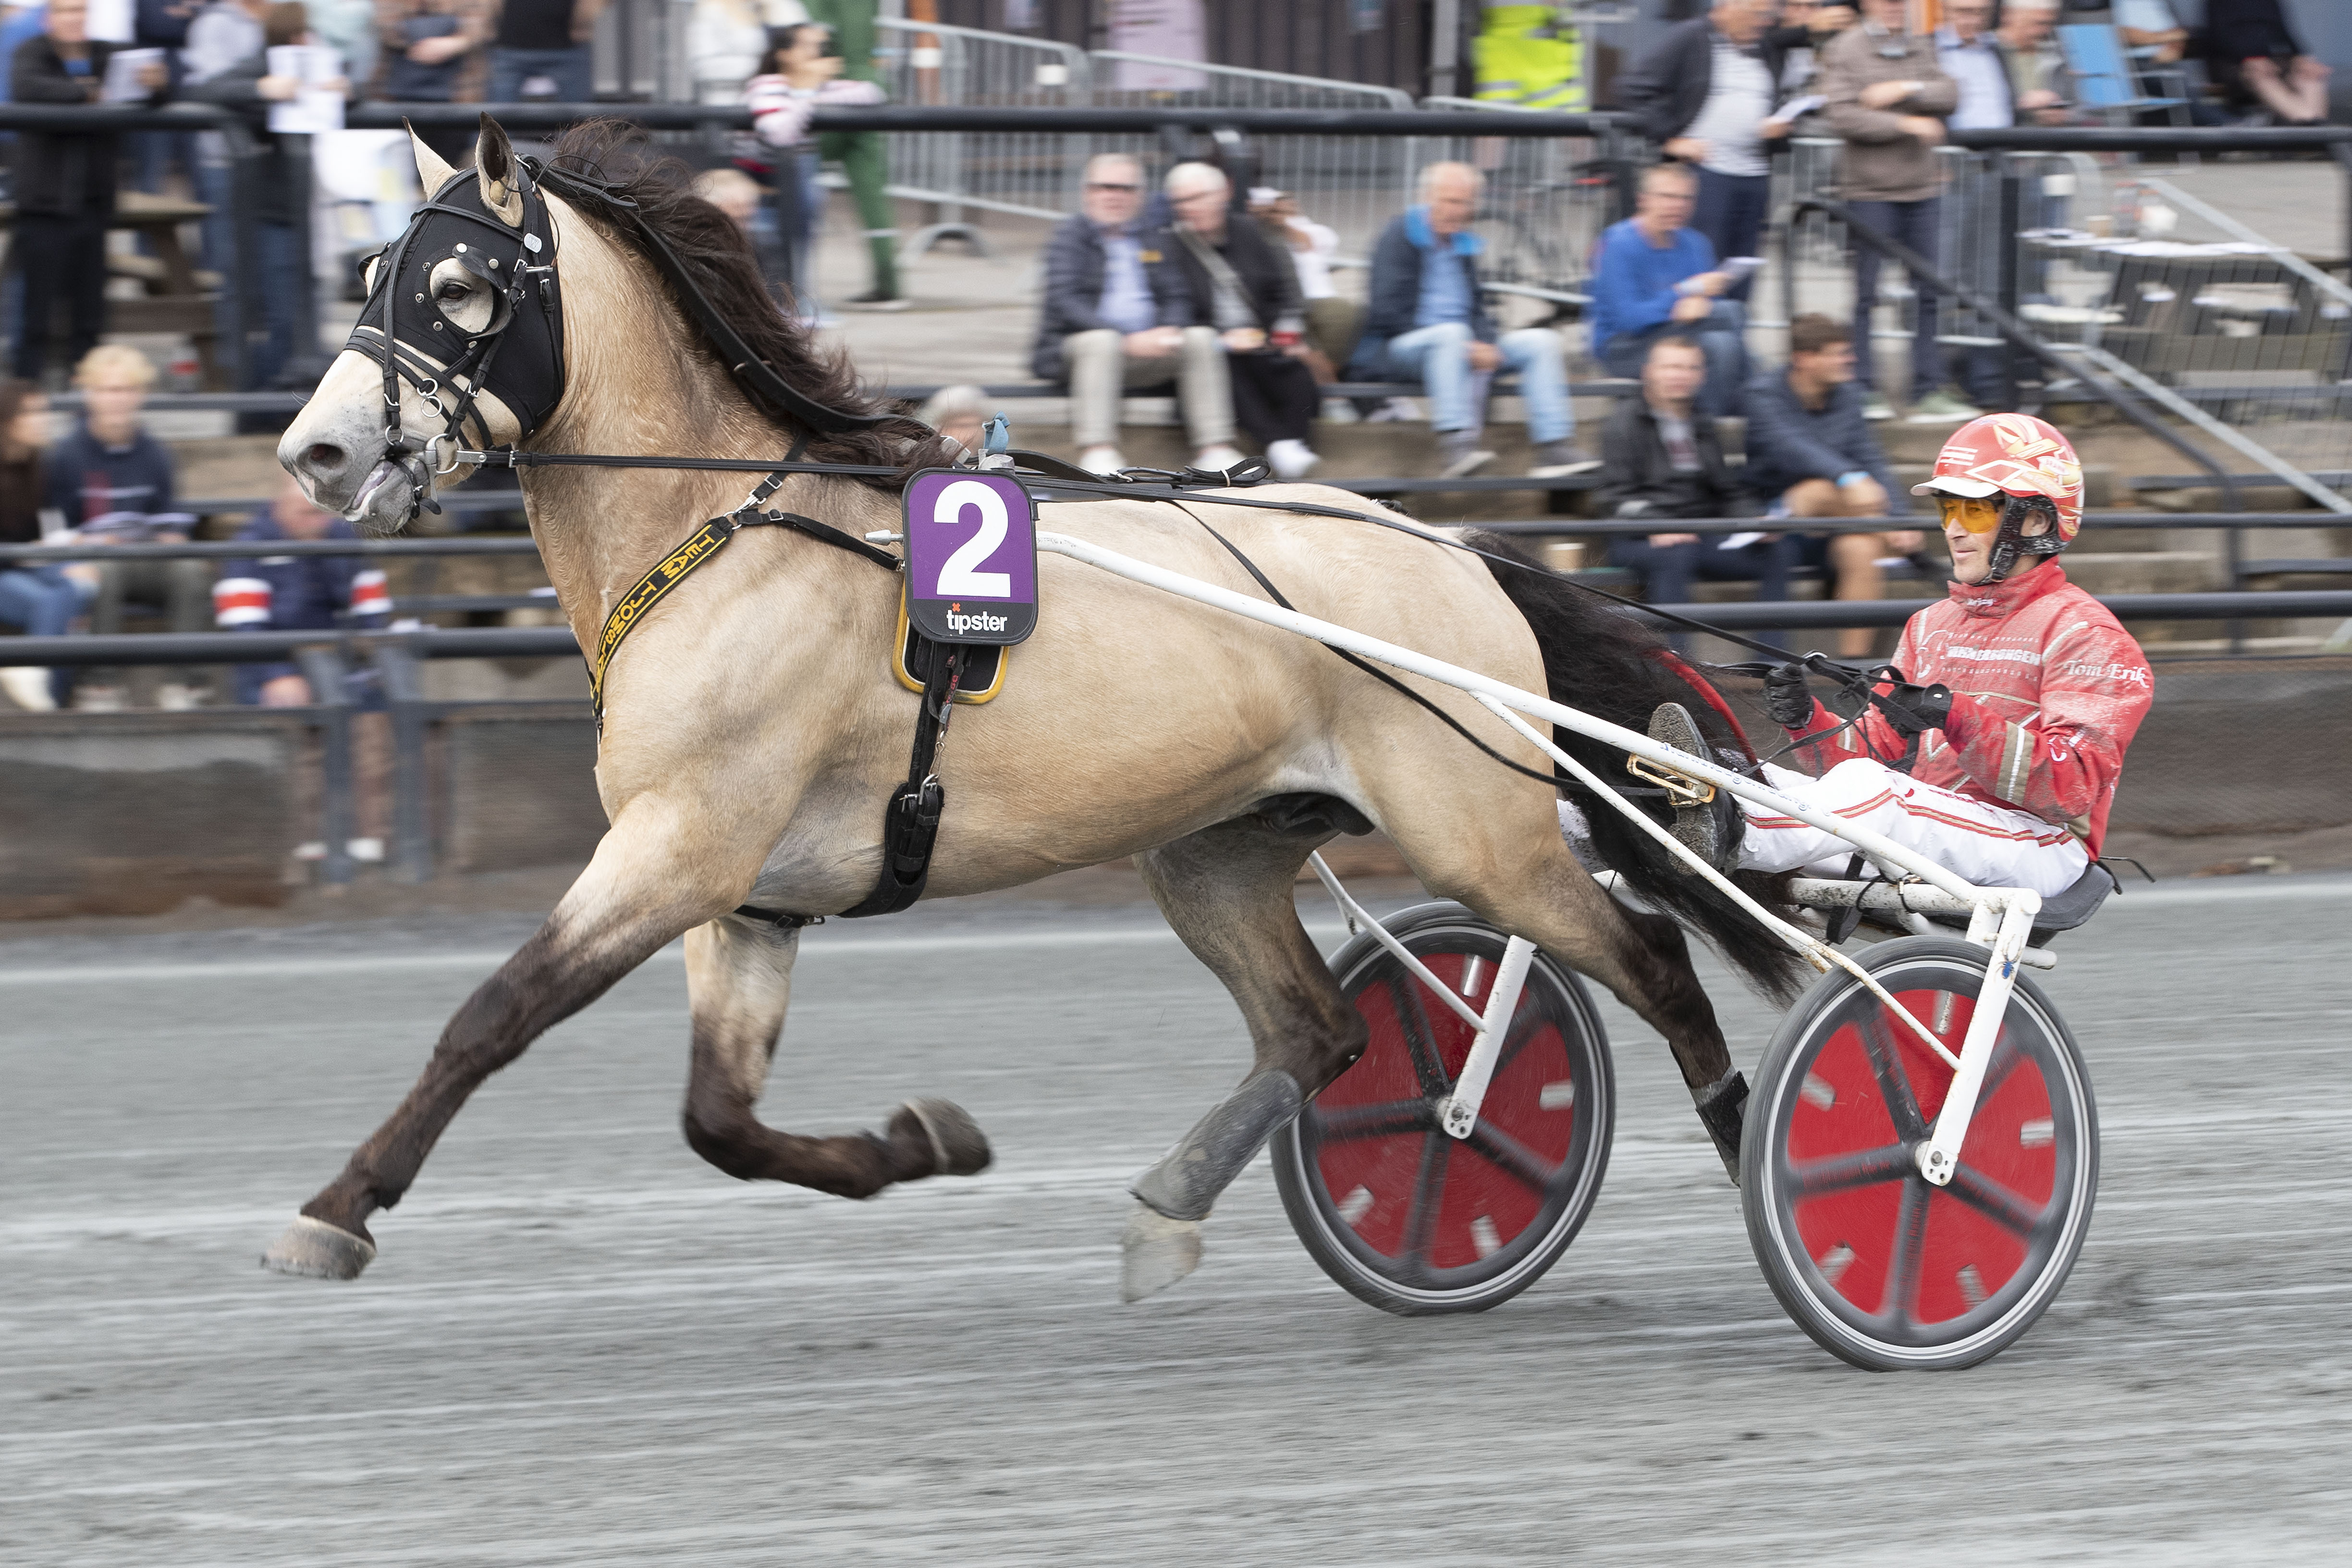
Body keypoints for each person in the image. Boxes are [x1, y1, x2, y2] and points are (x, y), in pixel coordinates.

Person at [1668, 413, 2151, 902]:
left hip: (2044, 843)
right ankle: (1640, 827)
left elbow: (2072, 790)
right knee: (1749, 773)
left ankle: (1734, 835)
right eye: (1949, 509)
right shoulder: (1929, 625)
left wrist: (1958, 717)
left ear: (2036, 521)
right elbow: (1872, 758)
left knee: (1867, 790)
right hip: (1935, 822)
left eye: (1976, 511)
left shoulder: (2088, 634)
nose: (1955, 529)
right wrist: (1807, 720)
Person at [1347, 160, 1591, 481]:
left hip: (1459, 345)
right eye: (1449, 201)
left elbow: (1476, 307)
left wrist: (1486, 344)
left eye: (1465, 203)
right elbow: (1387, 311)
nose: (1458, 211)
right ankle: (1456, 445)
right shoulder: (1399, 236)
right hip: (1405, 347)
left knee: (1540, 342)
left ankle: (1554, 446)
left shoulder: (1463, 244)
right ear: (1427, 198)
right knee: (1451, 333)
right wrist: (1463, 343)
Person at [1029, 153, 1237, 478]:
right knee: (1103, 342)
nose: (1114, 196)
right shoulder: (1070, 237)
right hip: (1081, 351)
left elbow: (1176, 295)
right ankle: (1098, 449)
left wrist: (1169, 331)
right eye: (1105, 187)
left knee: (1201, 338)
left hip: (1146, 350)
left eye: (1126, 188)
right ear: (1087, 192)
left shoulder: (1154, 239)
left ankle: (1214, 449)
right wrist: (1126, 339)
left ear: (1140, 196)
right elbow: (1065, 301)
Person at [1821, 0, 1978, 425]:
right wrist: (1905, 124)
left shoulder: (1920, 44)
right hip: (1869, 190)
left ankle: (1928, 389)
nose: (1895, 8)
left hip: (1923, 188)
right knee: (1867, 296)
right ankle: (1863, 388)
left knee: (1929, 294)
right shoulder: (1846, 48)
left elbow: (1950, 93)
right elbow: (1841, 115)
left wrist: (1904, 89)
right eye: (1887, 1)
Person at [178, 2, 348, 389]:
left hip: (300, 205)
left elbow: (345, 96)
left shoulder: (316, 63)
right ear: (291, 37)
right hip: (265, 208)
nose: (311, 42)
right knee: (273, 311)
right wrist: (261, 88)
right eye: (304, 34)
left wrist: (342, 90)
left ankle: (278, 396)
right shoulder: (263, 64)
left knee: (298, 309)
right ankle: (260, 400)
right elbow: (203, 89)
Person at [1743, 314, 1923, 659]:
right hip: (1779, 518)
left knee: (1861, 549)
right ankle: (1896, 541)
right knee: (1818, 491)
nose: (1849, 360)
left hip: (1839, 522)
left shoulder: (1848, 396)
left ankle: (1852, 668)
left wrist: (1899, 514)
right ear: (1805, 358)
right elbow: (1790, 447)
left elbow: (1871, 458)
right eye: (1838, 353)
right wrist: (1848, 478)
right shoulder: (1763, 394)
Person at [11, 0, 169, 381]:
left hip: (93, 203)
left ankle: (86, 394)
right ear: (49, 18)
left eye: (79, 10)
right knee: (35, 313)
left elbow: (150, 85)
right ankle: (22, 397)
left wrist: (157, 82)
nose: (73, 19)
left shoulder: (107, 52)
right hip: (44, 204)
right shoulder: (32, 51)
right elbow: (28, 84)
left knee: (90, 313)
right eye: (65, 11)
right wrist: (90, 94)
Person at [1600, 334, 1790, 641]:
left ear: (1701, 376)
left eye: (1690, 368)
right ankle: (1680, 671)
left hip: (1699, 535)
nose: (1681, 376)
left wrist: (1755, 521)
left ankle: (1775, 667)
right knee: (1676, 554)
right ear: (1649, 372)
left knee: (1775, 550)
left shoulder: (1702, 423)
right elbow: (1615, 499)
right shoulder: (1622, 424)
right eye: (1672, 367)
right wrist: (1659, 527)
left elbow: (1728, 491)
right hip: (1640, 537)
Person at [47, 346, 206, 707]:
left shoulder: (155, 454)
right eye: (106, 390)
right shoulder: (65, 455)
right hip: (93, 556)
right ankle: (101, 686)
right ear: (89, 393)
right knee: (103, 572)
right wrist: (86, 545)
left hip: (146, 555)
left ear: (140, 395)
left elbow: (171, 524)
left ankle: (185, 686)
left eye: (124, 390)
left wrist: (169, 543)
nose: (115, 401)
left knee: (191, 572)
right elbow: (52, 527)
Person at [1164, 162, 1322, 481]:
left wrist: (1282, 334)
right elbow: (1175, 307)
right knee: (1230, 369)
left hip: (1260, 338)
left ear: (1223, 195)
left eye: (1198, 197)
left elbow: (1283, 292)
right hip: (1210, 346)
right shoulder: (1170, 246)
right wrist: (1224, 338)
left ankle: (1292, 444)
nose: (1190, 208)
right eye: (1182, 202)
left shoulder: (1251, 233)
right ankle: (1279, 446)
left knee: (1295, 372)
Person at [1617, 0, 1787, 296]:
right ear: (1727, 8)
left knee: (1740, 272)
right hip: (1707, 175)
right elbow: (1633, 87)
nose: (1764, 22)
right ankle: (1695, 339)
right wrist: (1669, 138)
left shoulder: (1764, 49)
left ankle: (1732, 334)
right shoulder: (1691, 37)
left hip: (1753, 175)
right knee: (1703, 267)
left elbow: (1769, 97)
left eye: (1769, 15)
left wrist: (1776, 123)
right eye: (1757, 14)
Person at [1590, 161, 1751, 418]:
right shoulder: (1618, 244)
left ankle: (1740, 423)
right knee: (1722, 341)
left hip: (1685, 333)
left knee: (1733, 318)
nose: (1678, 206)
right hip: (1625, 346)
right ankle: (1711, 429)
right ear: (1643, 200)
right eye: (1668, 197)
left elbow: (1710, 306)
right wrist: (1686, 292)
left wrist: (1701, 303)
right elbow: (1630, 319)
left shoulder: (1695, 243)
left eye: (1686, 198)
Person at [214, 469, 389, 705]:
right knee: (288, 697)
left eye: (322, 513)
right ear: (281, 506)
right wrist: (277, 676)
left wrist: (375, 665)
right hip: (276, 668)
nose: (317, 523)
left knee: (389, 685)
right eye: (306, 513)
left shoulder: (345, 540)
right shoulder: (248, 548)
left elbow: (373, 613)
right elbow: (244, 629)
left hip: (342, 663)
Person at [745, 20, 879, 322]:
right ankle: (777, 309)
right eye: (812, 47)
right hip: (762, 187)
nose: (821, 54)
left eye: (824, 47)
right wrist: (808, 98)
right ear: (786, 54)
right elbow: (779, 132)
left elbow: (871, 93)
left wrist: (812, 96)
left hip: (798, 182)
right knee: (766, 251)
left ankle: (798, 304)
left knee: (803, 241)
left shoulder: (817, 88)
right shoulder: (767, 84)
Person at [800, 0, 902, 310]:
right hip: (865, 86)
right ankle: (889, 283)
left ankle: (790, 287)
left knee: (792, 178)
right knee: (872, 192)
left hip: (829, 89)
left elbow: (819, 31)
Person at [0, 378, 88, 710]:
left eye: (44, 410)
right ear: (9, 420)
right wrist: (29, 552)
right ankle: (50, 700)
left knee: (73, 586)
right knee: (52, 602)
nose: (44, 419)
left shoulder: (40, 465)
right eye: (32, 412)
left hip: (29, 564)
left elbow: (51, 524)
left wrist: (67, 547)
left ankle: (40, 684)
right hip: (7, 568)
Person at [1249, 186, 1359, 389]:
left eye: (1284, 209)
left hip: (1315, 301)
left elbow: (1313, 242)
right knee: (1303, 343)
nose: (1275, 215)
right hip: (1285, 307)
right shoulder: (1256, 237)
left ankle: (1328, 382)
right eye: (1271, 211)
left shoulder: (1309, 232)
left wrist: (1284, 226)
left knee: (1345, 314)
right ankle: (1331, 389)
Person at [372, 0, 486, 162]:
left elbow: (480, 26)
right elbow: (388, 27)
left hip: (458, 92)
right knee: (399, 163)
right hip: (398, 94)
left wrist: (455, 44)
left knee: (450, 165)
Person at [2203, 0, 2330, 127]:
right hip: (2232, 65)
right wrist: (2248, 59)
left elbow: (2283, 30)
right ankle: (2307, 125)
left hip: (2269, 62)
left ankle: (2316, 126)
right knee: (2261, 77)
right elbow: (2220, 35)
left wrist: (2302, 59)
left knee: (2309, 76)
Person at [691, 164, 791, 304]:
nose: (744, 228)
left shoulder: (754, 252)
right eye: (736, 219)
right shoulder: (693, 261)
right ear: (706, 217)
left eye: (748, 219)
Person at [485, 0, 598, 103]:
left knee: (580, 115)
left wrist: (586, 17)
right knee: (498, 114)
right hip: (510, 50)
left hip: (567, 49)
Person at [915, 384, 988, 456]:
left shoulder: (992, 463)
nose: (970, 435)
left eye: (975, 426)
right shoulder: (925, 462)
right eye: (961, 427)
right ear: (939, 429)